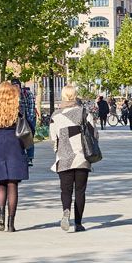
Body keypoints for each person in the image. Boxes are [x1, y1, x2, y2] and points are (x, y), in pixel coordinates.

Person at [0, 82, 29, 232]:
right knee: (12, 184)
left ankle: (1, 215)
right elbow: (28, 128)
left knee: (1, 184)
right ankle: (11, 223)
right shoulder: (17, 109)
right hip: (14, 145)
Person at [50, 84, 94, 233]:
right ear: (75, 95)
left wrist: (58, 150)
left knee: (66, 190)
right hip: (81, 156)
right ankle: (79, 223)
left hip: (64, 156)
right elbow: (93, 133)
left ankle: (66, 211)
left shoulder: (56, 116)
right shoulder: (84, 113)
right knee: (80, 191)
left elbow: (53, 138)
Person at [17, 81, 37, 166]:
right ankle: (20, 156)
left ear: (19, 86)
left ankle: (29, 157)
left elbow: (31, 109)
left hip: (28, 118)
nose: (15, 88)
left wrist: (29, 122)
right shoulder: (10, 95)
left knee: (28, 137)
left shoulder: (27, 94)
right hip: (17, 120)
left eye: (16, 86)